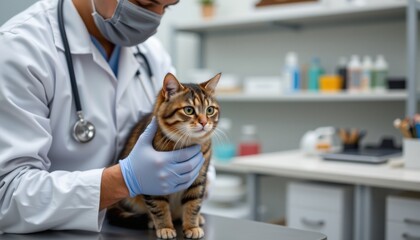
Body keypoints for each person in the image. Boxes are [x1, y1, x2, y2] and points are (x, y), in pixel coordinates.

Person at [0, 0, 213, 234]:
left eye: (167, 7)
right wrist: (123, 181)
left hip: (133, 228)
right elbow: (7, 196)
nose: (155, 18)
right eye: (146, 2)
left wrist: (191, 172)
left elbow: (194, 158)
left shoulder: (152, 53)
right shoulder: (18, 47)